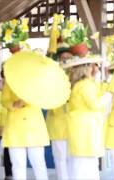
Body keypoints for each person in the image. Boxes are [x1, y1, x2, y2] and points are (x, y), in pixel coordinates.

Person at [61, 53, 114, 179]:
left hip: (85, 130)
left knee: (84, 166)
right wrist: (110, 95)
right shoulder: (85, 84)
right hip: (85, 131)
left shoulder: (83, 84)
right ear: (87, 68)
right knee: (84, 167)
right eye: (94, 65)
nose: (96, 68)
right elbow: (95, 105)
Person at [1, 79, 49, 180]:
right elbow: (4, 100)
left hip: (34, 128)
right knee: (18, 166)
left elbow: (43, 98)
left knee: (39, 163)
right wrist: (14, 104)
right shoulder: (10, 82)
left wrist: (28, 97)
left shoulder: (37, 82)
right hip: (15, 129)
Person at [46, 45, 72, 180]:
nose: (66, 60)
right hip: (57, 123)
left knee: (72, 158)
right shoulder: (53, 75)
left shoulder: (76, 75)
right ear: (59, 59)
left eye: (69, 58)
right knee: (60, 158)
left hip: (73, 124)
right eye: (63, 58)